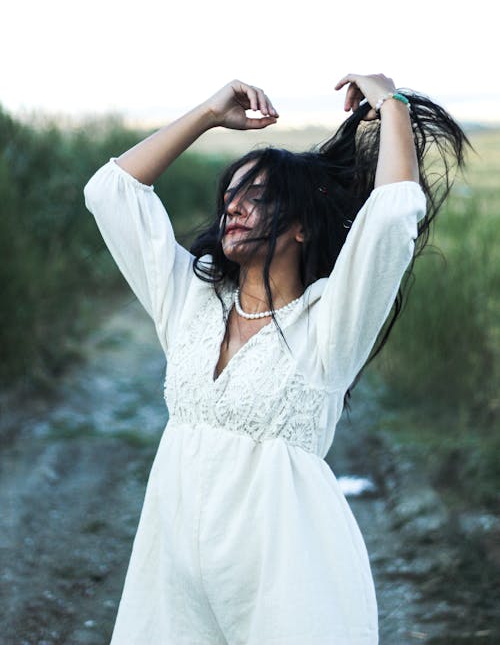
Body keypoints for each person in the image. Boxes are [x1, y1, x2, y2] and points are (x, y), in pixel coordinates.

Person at [84, 74, 471, 644]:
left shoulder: (329, 325)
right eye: (229, 197)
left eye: (256, 197)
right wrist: (208, 114)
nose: (232, 209)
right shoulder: (189, 299)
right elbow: (110, 192)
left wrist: (392, 104)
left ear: (298, 225)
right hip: (171, 584)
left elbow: (389, 220)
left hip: (288, 586)